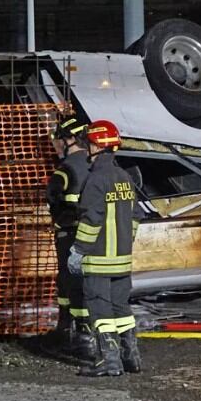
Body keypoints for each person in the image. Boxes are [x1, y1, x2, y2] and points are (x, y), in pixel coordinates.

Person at [68, 120, 143, 377]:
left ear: (97, 146)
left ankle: (109, 361)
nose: (86, 148)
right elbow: (136, 216)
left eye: (89, 143)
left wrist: (78, 250)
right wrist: (125, 242)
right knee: (121, 308)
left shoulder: (96, 179)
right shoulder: (125, 177)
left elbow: (91, 219)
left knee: (100, 309)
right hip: (122, 260)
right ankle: (131, 358)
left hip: (98, 259)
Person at [45, 116, 95, 359]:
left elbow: (54, 200)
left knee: (69, 282)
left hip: (70, 235)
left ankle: (73, 335)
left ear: (70, 139)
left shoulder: (65, 170)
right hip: (97, 235)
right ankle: (81, 334)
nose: (54, 145)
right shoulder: (95, 165)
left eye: (57, 139)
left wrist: (59, 220)